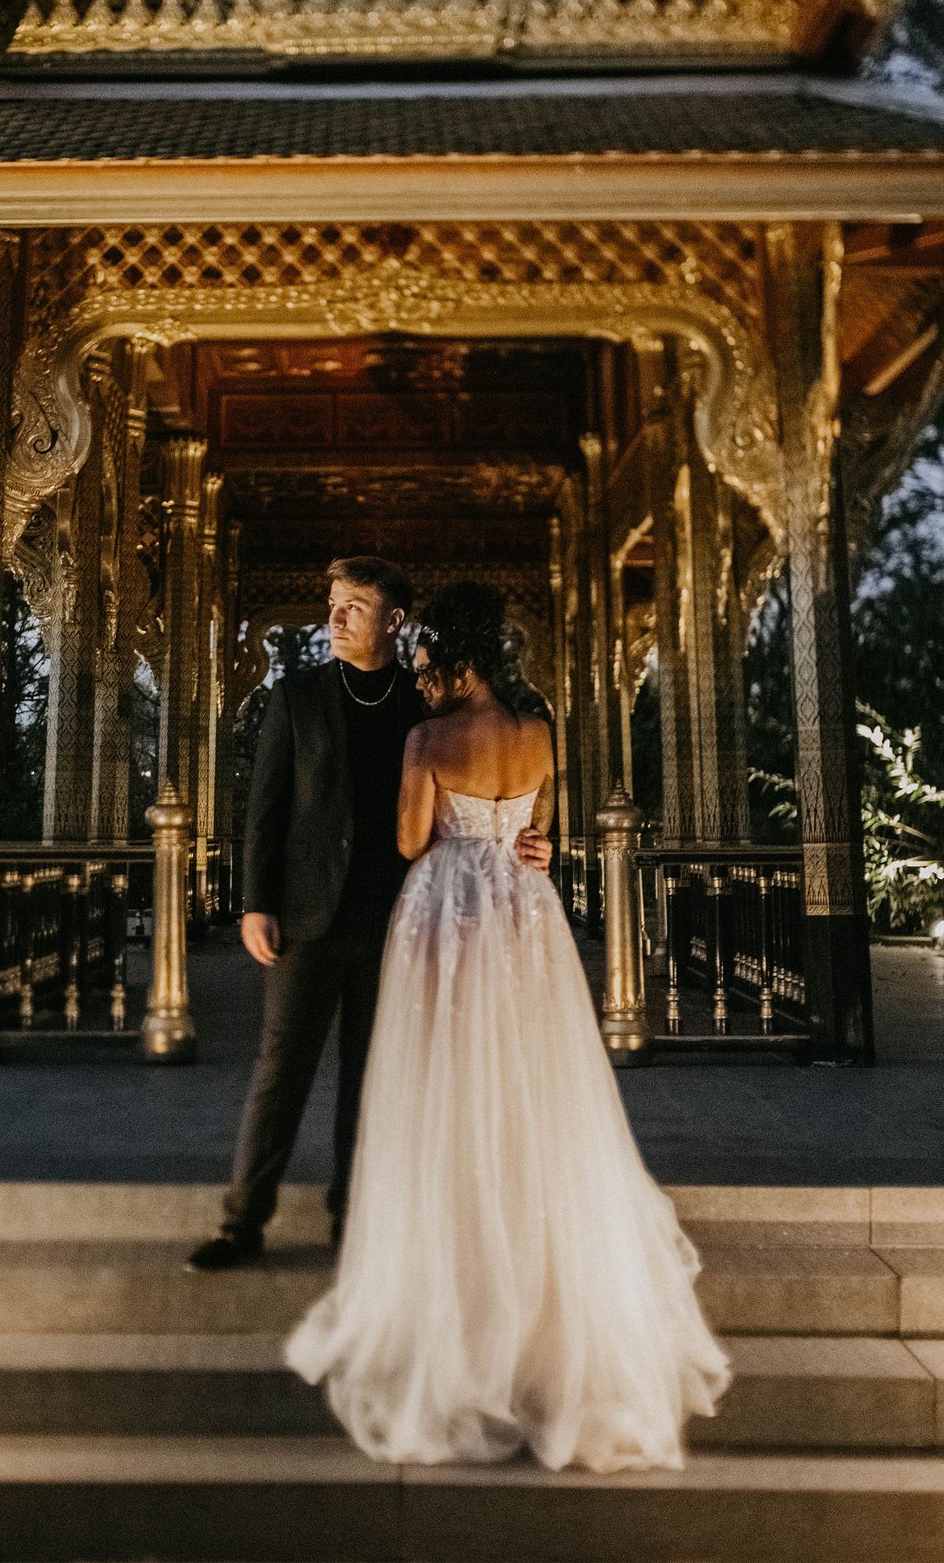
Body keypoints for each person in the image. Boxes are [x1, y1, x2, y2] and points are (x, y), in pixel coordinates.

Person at [284, 582, 729, 1470]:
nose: (416, 680)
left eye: (423, 665)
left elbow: (414, 841)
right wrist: (531, 845)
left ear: (458, 659)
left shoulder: (426, 740)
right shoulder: (537, 735)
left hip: (449, 912)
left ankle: (456, 1307)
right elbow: (541, 831)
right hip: (525, 914)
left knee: (448, 1084)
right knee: (529, 1086)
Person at [189, 557, 549, 1273]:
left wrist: (528, 841)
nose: (337, 615)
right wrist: (255, 903)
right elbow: (263, 813)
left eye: (355, 604)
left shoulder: (428, 709)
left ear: (394, 620)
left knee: (372, 1076)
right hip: (304, 916)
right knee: (280, 1069)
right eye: (333, 602)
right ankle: (243, 1220)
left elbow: (479, 788)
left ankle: (351, 1221)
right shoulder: (296, 697)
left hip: (401, 919)